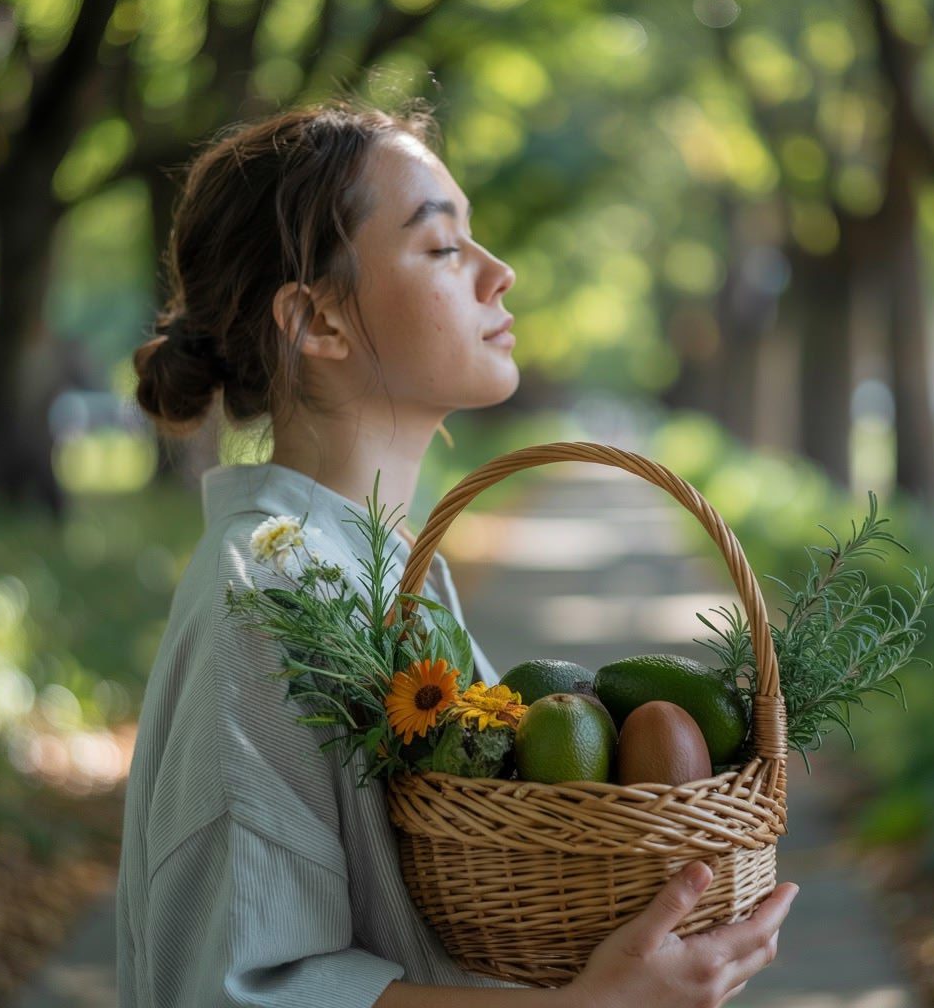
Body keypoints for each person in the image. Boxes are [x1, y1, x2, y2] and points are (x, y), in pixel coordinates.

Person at [119, 95, 799, 1008]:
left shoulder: (387, 572)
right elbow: (240, 987)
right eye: (443, 246)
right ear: (318, 322)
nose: (500, 272)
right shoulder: (266, 593)